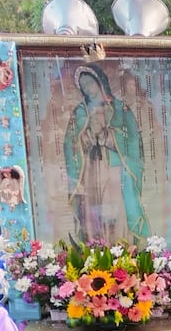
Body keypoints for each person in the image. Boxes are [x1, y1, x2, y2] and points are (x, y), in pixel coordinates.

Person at [63, 63, 149, 244]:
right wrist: (86, 137)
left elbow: (132, 140)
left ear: (100, 82)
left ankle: (120, 247)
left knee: (114, 209)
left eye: (90, 83)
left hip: (115, 168)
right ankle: (96, 249)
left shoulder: (119, 109)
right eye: (84, 86)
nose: (88, 89)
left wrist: (106, 136)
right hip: (90, 169)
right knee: (93, 210)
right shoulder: (80, 112)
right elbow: (70, 144)